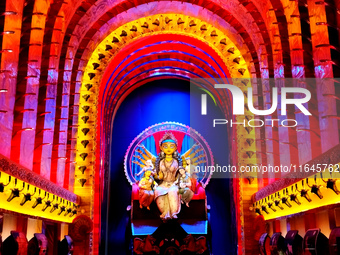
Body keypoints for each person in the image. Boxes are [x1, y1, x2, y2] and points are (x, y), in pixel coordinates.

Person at [154, 132, 181, 220]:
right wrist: (159, 177)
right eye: (165, 146)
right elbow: (157, 177)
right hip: (163, 184)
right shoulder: (160, 162)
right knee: (158, 191)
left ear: (176, 148)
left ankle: (173, 214)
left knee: (172, 192)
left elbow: (180, 176)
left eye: (171, 146)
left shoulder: (176, 162)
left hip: (173, 183)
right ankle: (165, 215)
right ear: (161, 148)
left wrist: (177, 182)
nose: (168, 148)